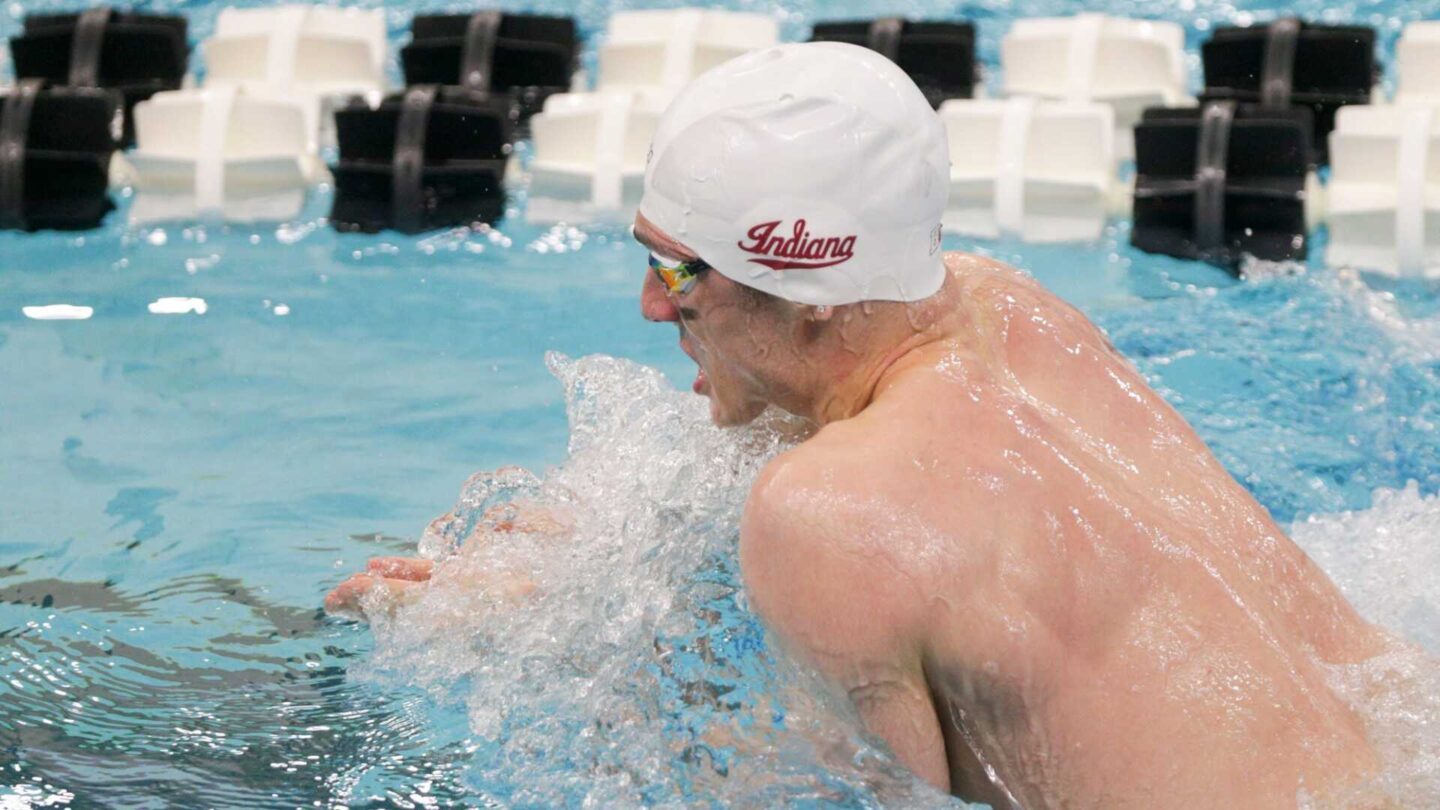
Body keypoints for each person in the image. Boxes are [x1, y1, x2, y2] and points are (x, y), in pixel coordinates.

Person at [329, 43, 1393, 808]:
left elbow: (782, 792)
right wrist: (563, 588)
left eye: (676, 269)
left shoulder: (829, 518)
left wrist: (508, 654)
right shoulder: (998, 307)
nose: (654, 306)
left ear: (810, 292)